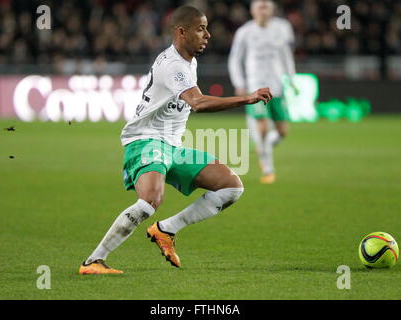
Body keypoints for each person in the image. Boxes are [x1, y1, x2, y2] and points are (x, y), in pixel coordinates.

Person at [79, 5, 272, 274]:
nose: (208, 35)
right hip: (145, 140)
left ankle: (166, 229)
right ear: (182, 32)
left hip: (172, 145)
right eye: (200, 29)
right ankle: (93, 261)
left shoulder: (189, 61)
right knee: (150, 200)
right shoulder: (173, 66)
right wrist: (247, 98)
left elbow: (193, 98)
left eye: (207, 28)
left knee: (231, 187)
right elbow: (198, 102)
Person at [228, 0, 298, 184]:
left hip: (277, 87)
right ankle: (268, 169)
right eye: (260, 7)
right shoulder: (245, 32)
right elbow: (235, 59)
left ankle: (261, 146)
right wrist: (239, 83)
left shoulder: (282, 28)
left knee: (282, 132)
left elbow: (286, 56)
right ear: (253, 11)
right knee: (263, 128)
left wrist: (291, 79)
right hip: (256, 87)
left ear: (272, 10)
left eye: (267, 7)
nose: (263, 10)